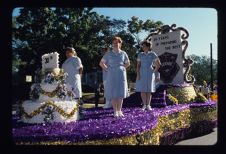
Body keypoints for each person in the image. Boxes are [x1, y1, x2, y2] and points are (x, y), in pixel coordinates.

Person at [99, 37, 130, 117]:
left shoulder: (123, 53)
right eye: (114, 43)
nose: (116, 44)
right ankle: (115, 111)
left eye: (117, 42)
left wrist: (123, 68)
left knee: (120, 92)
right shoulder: (108, 53)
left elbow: (128, 63)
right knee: (113, 93)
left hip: (121, 75)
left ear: (120, 44)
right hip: (111, 74)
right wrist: (107, 69)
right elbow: (101, 63)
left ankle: (119, 110)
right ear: (112, 44)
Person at [135, 40, 161, 111]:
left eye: (144, 46)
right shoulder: (140, 54)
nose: (143, 47)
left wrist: (154, 71)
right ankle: (144, 105)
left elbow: (158, 64)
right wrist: (138, 74)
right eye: (142, 46)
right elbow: (138, 65)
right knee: (143, 90)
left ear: (148, 47)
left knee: (149, 90)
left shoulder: (152, 54)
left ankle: (148, 105)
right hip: (142, 72)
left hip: (150, 73)